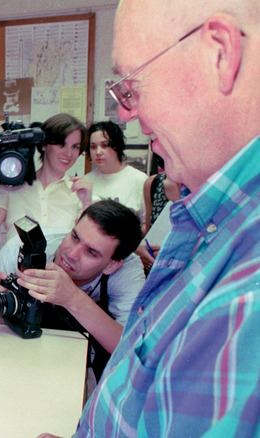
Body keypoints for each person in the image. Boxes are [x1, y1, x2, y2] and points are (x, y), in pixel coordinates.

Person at [40, 0, 260, 436]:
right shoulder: (211, 224)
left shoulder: (246, 289)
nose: (125, 112)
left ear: (219, 53)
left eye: (131, 87)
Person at [0, 200, 144, 378]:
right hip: (18, 362)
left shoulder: (126, 271)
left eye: (91, 252)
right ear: (75, 223)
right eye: (75, 237)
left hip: (83, 371)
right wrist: (8, 309)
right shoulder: (19, 250)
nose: (71, 254)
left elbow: (130, 350)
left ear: (112, 265)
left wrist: (72, 298)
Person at [0, 113, 92, 263]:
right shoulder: (11, 189)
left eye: (75, 147)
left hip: (57, 280)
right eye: (61, 144)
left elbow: (90, 247)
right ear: (43, 145)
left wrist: (88, 204)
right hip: (17, 278)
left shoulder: (78, 193)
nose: (69, 153)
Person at [84, 120, 148, 221]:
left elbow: (147, 225)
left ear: (117, 147)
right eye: (93, 147)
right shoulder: (86, 181)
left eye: (105, 145)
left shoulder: (139, 180)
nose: (98, 152)